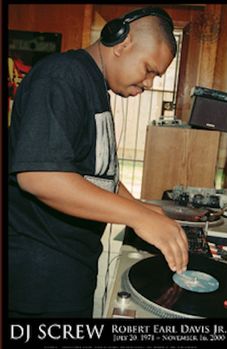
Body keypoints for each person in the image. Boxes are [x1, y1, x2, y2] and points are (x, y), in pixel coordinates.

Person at [8, 6, 189, 318]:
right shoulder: (61, 77)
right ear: (122, 43)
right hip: (38, 278)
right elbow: (40, 176)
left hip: (67, 268)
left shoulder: (91, 84)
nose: (148, 83)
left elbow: (94, 171)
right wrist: (139, 218)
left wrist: (145, 210)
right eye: (148, 69)